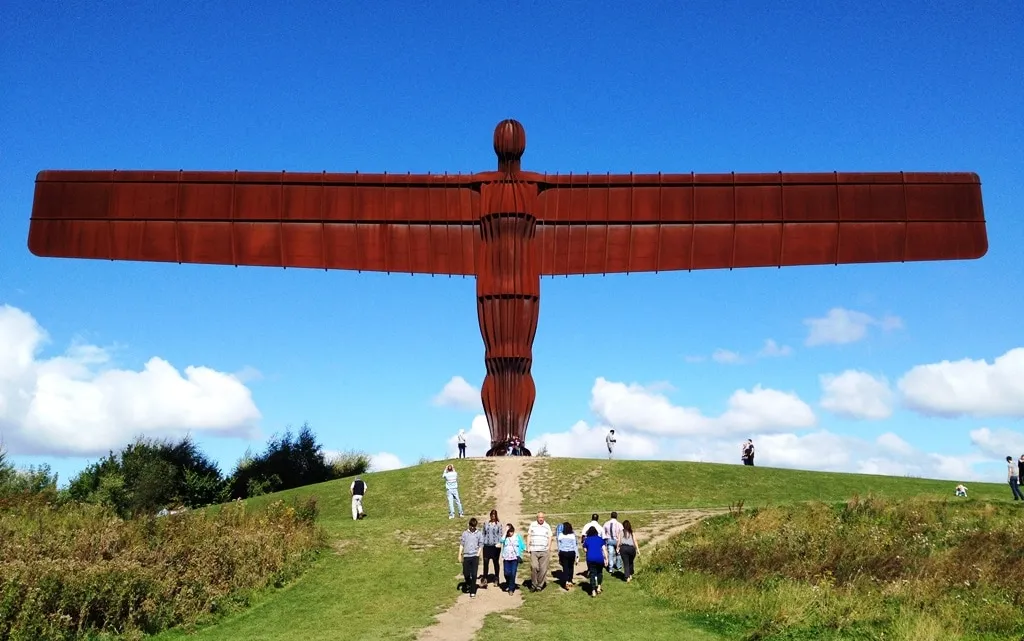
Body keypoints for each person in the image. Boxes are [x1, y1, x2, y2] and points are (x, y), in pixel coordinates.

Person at [526, 512, 554, 591]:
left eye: (542, 517)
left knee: (543, 568)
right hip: (534, 550)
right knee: (534, 567)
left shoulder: (547, 526)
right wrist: (528, 546)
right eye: (539, 517)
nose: (541, 519)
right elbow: (529, 535)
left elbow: (550, 536)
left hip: (544, 550)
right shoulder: (533, 525)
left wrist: (549, 547)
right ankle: (534, 584)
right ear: (537, 518)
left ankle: (540, 585)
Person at [457, 517, 484, 598]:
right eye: (471, 526)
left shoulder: (479, 533)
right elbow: (462, 544)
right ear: (469, 525)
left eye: (474, 526)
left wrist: (478, 554)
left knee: (474, 574)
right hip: (466, 556)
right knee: (466, 573)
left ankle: (473, 591)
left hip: (474, 556)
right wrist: (459, 554)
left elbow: (481, 544)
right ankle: (469, 583)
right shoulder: (465, 533)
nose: (472, 528)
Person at [582, 526, 608, 597]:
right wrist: (606, 559)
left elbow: (585, 550)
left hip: (590, 558)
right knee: (599, 572)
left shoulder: (587, 540)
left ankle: (593, 590)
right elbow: (604, 549)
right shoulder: (600, 539)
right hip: (599, 558)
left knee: (592, 574)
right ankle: (599, 587)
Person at [500, 523, 526, 594]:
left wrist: (524, 550)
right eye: (508, 531)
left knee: (513, 573)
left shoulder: (517, 536)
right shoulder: (505, 537)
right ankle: (509, 582)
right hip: (506, 557)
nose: (510, 533)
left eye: (511, 531)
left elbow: (522, 545)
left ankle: (511, 588)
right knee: (506, 573)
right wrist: (505, 533)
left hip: (514, 557)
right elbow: (501, 541)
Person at [482, 509, 503, 585]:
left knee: (495, 562)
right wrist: (482, 543)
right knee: (485, 562)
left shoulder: (499, 524)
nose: (493, 516)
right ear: (490, 515)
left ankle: (496, 578)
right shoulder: (486, 523)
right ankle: (484, 578)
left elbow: (500, 535)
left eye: (494, 515)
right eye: (492, 515)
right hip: (487, 546)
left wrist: (500, 543)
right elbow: (483, 533)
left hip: (495, 546)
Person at [556, 522, 579, 590]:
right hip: (571, 552)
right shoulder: (572, 535)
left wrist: (559, 553)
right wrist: (577, 554)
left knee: (565, 567)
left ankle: (566, 581)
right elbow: (575, 545)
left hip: (563, 552)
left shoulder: (561, 535)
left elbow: (559, 545)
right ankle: (570, 580)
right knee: (571, 567)